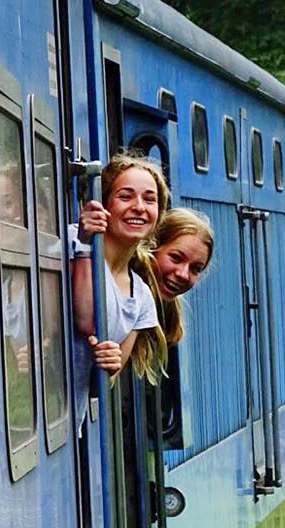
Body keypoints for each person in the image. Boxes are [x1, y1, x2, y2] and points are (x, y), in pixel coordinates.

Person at [70, 154, 170, 425]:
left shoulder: (142, 298)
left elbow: (99, 387)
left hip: (68, 424)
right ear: (104, 205)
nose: (139, 207)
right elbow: (86, 319)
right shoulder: (73, 241)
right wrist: (85, 243)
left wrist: (110, 366)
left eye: (150, 200)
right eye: (126, 196)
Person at [135, 207, 215, 345]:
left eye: (195, 269)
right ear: (151, 247)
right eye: (176, 258)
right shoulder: (126, 297)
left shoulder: (166, 322)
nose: (183, 274)